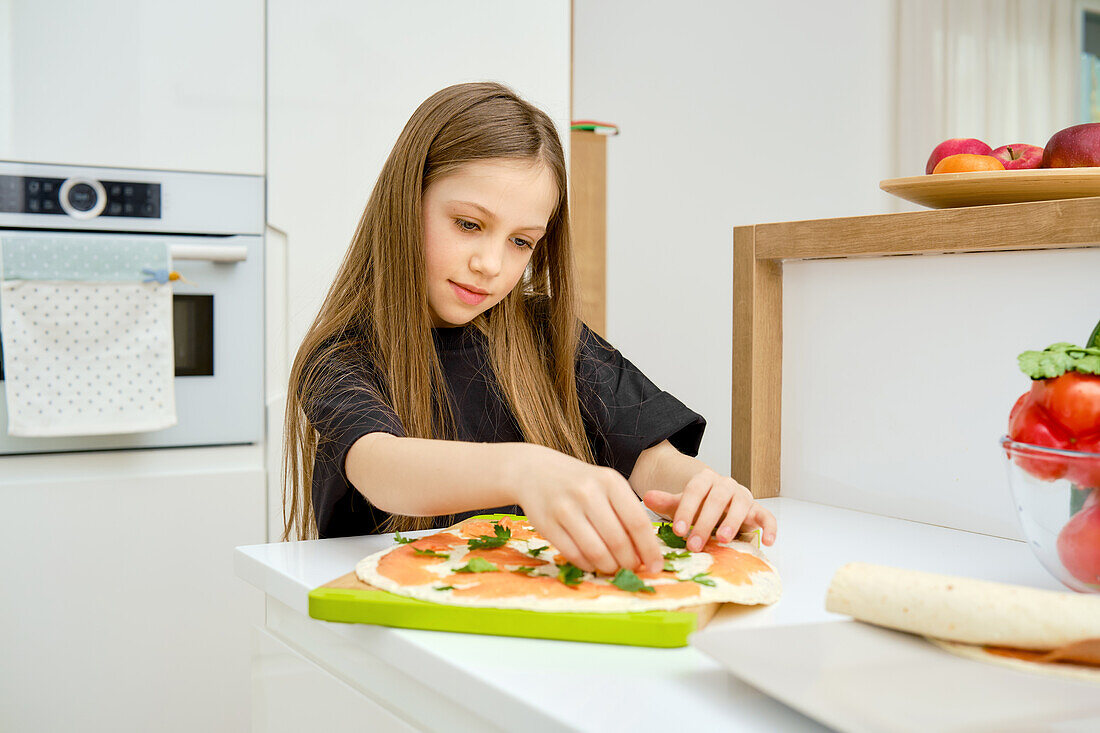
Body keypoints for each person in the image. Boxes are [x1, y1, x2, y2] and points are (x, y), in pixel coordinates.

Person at [282, 81, 776, 576]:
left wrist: (704, 487)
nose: (490, 264)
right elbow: (379, 465)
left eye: (521, 241)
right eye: (469, 224)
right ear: (406, 200)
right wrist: (525, 469)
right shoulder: (341, 353)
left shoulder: (546, 330)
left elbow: (649, 455)